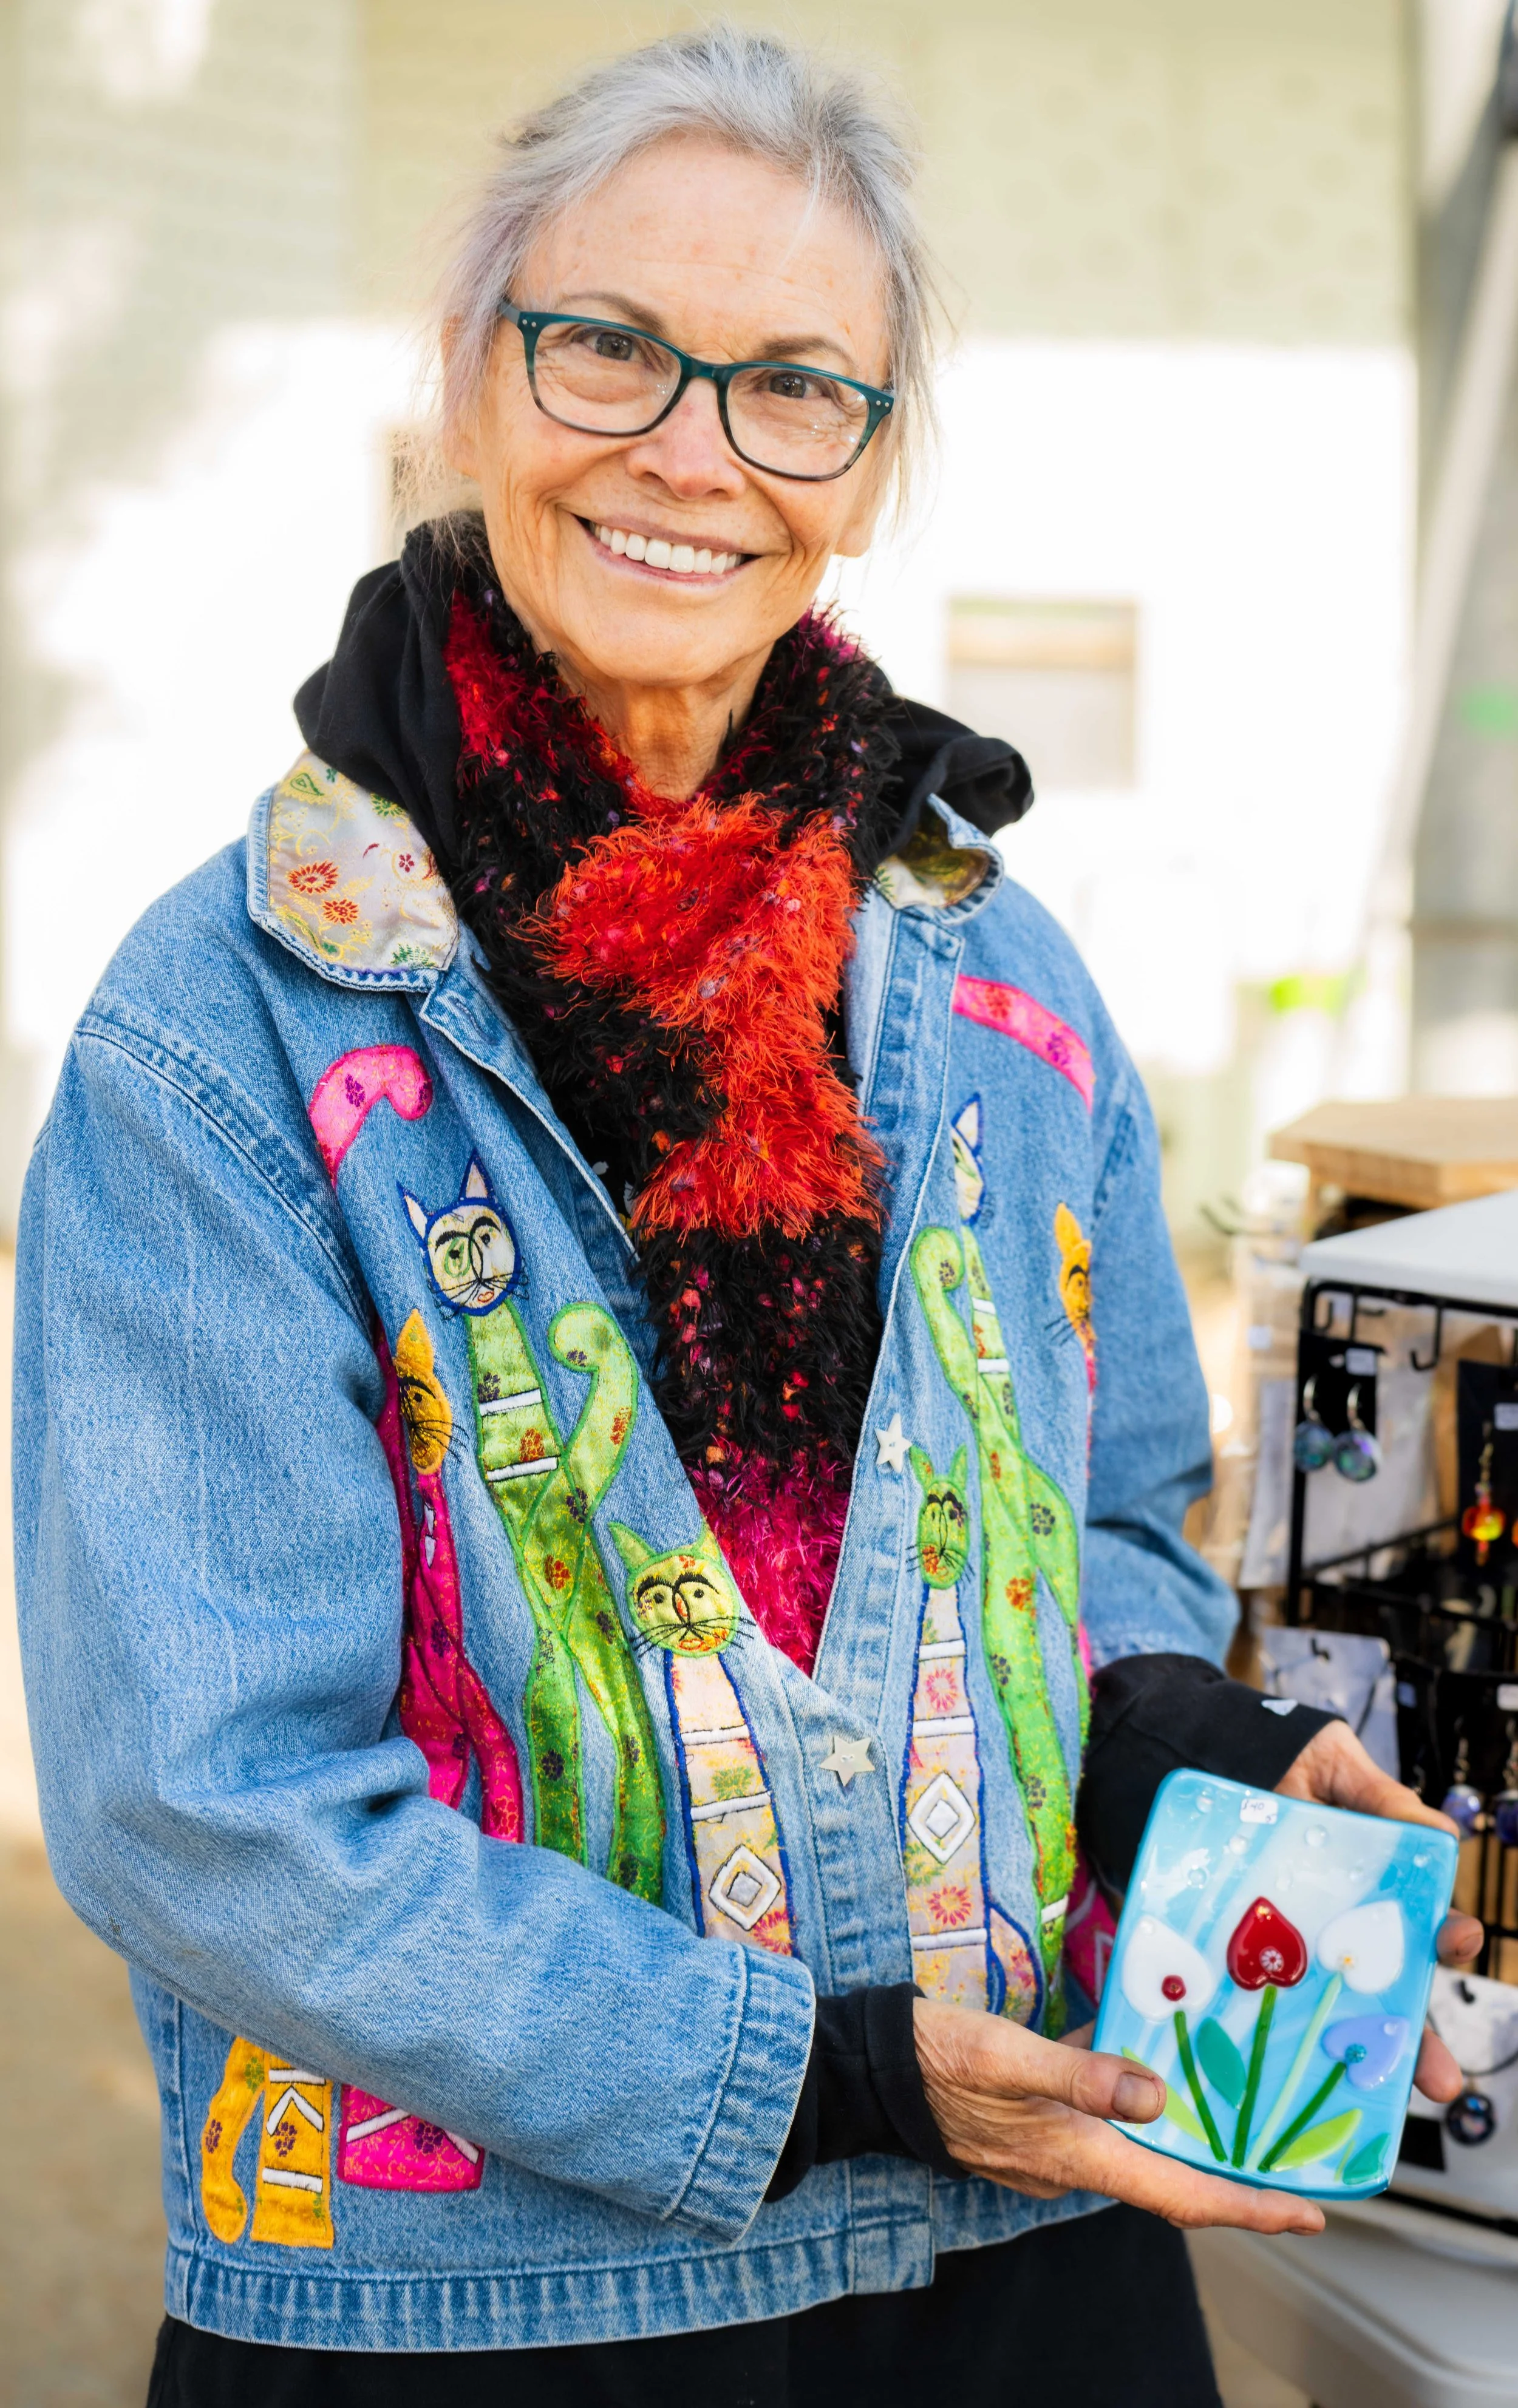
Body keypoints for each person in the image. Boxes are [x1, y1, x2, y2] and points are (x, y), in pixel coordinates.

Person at [14, 27, 1479, 2408]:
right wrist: (820, 2070)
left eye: (794, 385)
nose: (691, 449)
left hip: (1022, 2282)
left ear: (873, 468)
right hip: (484, 2324)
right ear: (474, 384)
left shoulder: (993, 965)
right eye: (605, 345)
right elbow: (209, 1806)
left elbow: (1090, 1543)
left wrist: (1186, 1751)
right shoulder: (231, 1030)